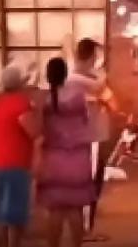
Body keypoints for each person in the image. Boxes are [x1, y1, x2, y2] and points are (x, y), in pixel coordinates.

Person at [37, 58, 96, 247]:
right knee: (75, 210)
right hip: (78, 159)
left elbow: (38, 128)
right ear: (65, 74)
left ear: (48, 75)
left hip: (52, 160)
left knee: (55, 211)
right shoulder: (77, 97)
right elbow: (87, 121)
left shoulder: (43, 100)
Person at [0, 64, 41, 247]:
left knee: (1, 216)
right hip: (15, 166)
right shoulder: (21, 103)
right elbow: (33, 132)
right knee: (15, 218)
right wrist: (36, 112)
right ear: (20, 84)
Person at [65, 38, 118, 240]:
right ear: (91, 56)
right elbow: (112, 102)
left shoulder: (68, 78)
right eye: (96, 55)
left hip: (74, 140)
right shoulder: (91, 82)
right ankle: (85, 230)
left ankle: (78, 229)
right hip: (92, 138)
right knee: (89, 185)